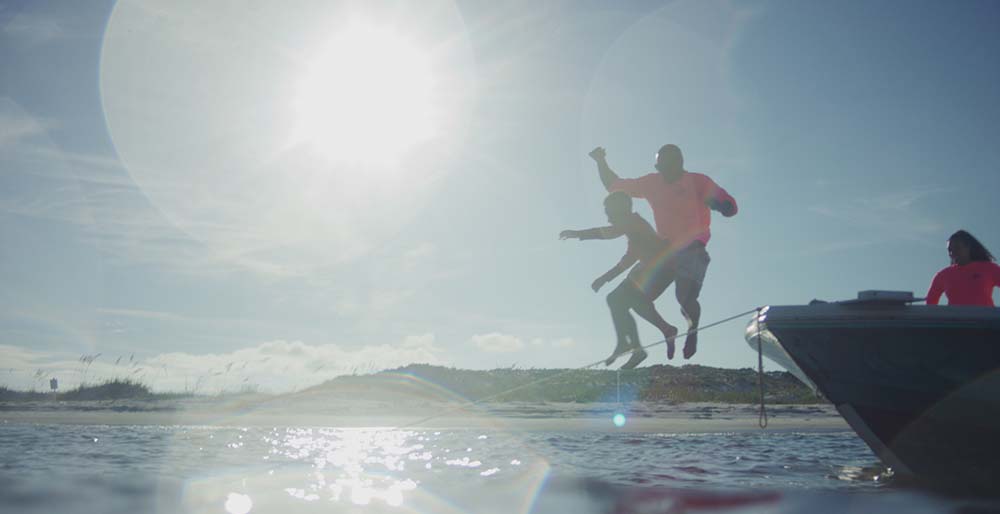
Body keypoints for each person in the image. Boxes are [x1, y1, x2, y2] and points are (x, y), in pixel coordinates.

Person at [589, 145, 737, 359]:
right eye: (662, 168)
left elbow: (731, 205)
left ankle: (692, 329)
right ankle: (667, 331)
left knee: (684, 298)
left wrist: (723, 205)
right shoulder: (652, 182)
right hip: (664, 250)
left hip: (692, 249)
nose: (666, 173)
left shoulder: (698, 182)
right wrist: (600, 161)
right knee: (625, 297)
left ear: (680, 164)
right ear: (657, 167)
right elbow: (614, 185)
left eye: (671, 167)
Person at [561, 192, 681, 369]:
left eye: (609, 211)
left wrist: (577, 233)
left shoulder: (631, 222)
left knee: (630, 300)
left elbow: (608, 233)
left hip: (663, 267)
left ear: (621, 210)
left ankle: (637, 343)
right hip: (649, 268)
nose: (607, 216)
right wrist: (604, 278)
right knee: (617, 299)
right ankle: (645, 341)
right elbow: (629, 259)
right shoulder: (634, 229)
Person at [926, 230, 1000, 306]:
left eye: (957, 248)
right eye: (949, 250)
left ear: (968, 247)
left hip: (986, 317)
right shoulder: (943, 275)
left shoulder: (989, 268)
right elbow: (930, 301)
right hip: (955, 317)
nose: (952, 253)